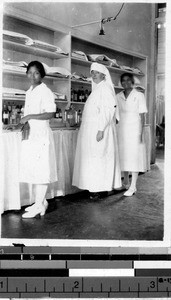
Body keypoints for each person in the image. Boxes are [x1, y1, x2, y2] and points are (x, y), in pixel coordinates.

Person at [72, 62, 121, 199]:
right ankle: (96, 187)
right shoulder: (97, 89)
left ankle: (100, 189)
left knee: (100, 158)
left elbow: (108, 110)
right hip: (92, 130)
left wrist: (100, 129)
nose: (93, 74)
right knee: (94, 159)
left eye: (96, 72)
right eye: (92, 72)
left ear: (104, 75)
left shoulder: (105, 88)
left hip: (101, 129)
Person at [18, 61, 57, 218]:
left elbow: (50, 113)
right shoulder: (30, 91)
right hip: (32, 135)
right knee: (34, 169)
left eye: (36, 73)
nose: (33, 76)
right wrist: (25, 123)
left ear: (42, 75)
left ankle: (40, 205)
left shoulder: (45, 91)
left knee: (41, 170)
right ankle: (39, 202)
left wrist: (29, 117)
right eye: (30, 72)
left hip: (41, 135)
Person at [116, 73, 148, 197]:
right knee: (123, 155)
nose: (125, 83)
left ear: (132, 82)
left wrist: (140, 132)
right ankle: (125, 181)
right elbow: (115, 114)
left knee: (134, 157)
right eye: (123, 81)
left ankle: (133, 186)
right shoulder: (118, 96)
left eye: (128, 80)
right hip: (121, 129)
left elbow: (142, 115)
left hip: (134, 129)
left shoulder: (139, 95)